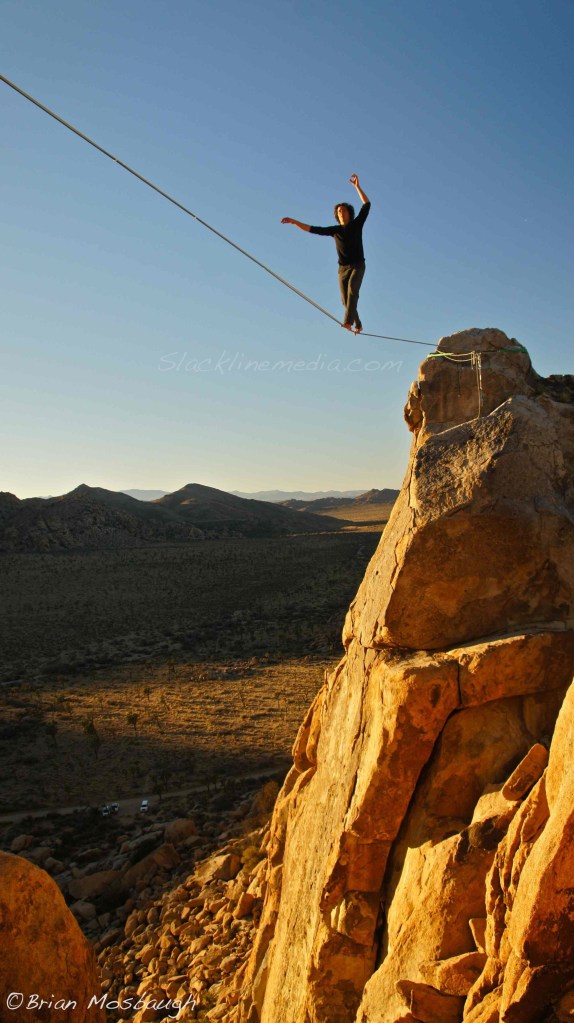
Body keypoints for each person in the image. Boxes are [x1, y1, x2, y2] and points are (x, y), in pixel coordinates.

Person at [281, 174, 371, 334]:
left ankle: (348, 323)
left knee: (352, 290)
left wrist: (357, 187)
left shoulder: (357, 224)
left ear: (349, 213)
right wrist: (294, 222)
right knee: (345, 301)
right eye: (338, 211)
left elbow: (367, 205)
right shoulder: (334, 230)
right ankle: (358, 324)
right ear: (337, 215)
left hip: (358, 265)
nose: (341, 212)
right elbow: (312, 229)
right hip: (342, 269)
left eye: (343, 210)